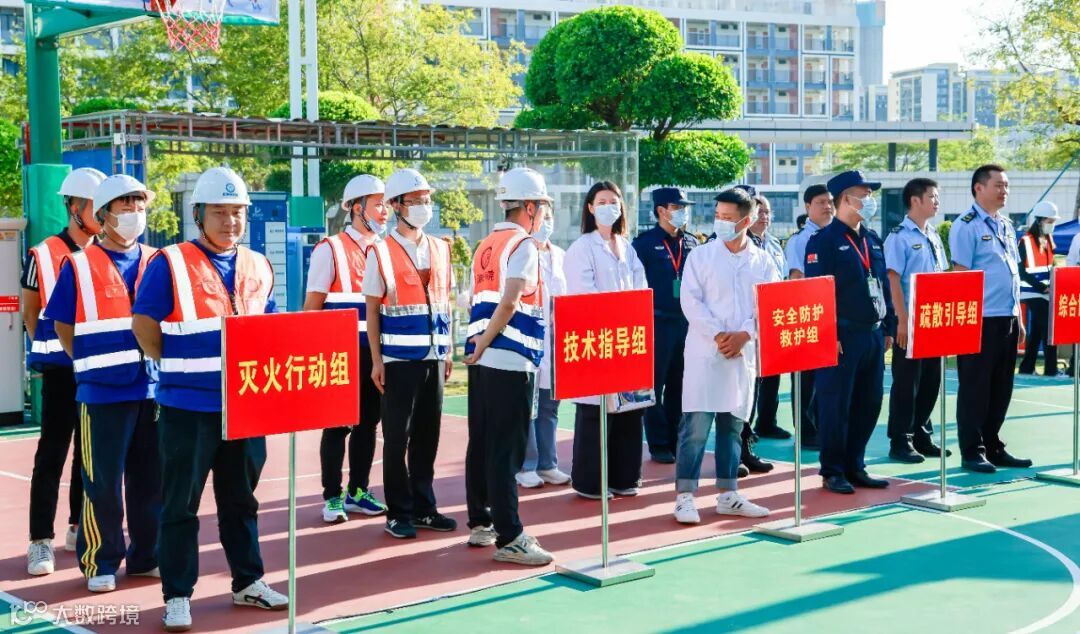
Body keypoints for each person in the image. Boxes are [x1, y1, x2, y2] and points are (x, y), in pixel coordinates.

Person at [132, 167, 288, 631]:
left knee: (242, 500)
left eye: (237, 212)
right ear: (198, 214)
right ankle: (178, 595)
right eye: (220, 212)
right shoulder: (170, 263)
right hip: (187, 409)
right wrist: (181, 368)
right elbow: (144, 326)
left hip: (245, 407)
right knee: (180, 505)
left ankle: (248, 582)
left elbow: (268, 327)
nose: (230, 221)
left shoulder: (259, 265)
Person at [44, 174, 160, 593]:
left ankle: (148, 556)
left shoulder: (157, 260)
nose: (134, 213)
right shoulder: (77, 265)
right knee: (102, 483)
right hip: (102, 391)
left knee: (151, 481)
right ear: (105, 214)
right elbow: (63, 324)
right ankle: (101, 560)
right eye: (125, 205)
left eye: (139, 205)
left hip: (151, 389)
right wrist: (89, 364)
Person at [463, 167, 555, 565]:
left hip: (483, 360)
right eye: (543, 207)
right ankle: (511, 535)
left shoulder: (486, 244)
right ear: (530, 207)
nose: (545, 215)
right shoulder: (524, 245)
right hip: (510, 358)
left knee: (482, 443)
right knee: (507, 449)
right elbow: (510, 301)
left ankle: (481, 521)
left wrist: (478, 347)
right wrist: (487, 342)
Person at [673, 188, 778, 524]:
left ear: (746, 221)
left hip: (741, 355)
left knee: (732, 427)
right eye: (718, 215)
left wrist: (745, 334)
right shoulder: (701, 257)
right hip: (706, 352)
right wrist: (719, 335)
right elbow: (691, 301)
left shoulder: (763, 261)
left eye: (728, 218)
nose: (720, 222)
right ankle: (685, 496)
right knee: (695, 429)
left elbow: (768, 304)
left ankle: (728, 493)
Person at [364, 168, 457, 539]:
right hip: (398, 360)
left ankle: (424, 507)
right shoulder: (381, 252)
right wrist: (376, 360)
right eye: (415, 200)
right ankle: (398, 512)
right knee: (396, 438)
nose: (423, 206)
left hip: (434, 356)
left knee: (427, 435)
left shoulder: (441, 248)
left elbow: (445, 302)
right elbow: (372, 310)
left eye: (426, 200)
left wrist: (447, 350)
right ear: (396, 206)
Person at [23, 167, 103, 577]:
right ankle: (40, 540)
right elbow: (30, 310)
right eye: (96, 207)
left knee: (89, 454)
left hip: (98, 368)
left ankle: (76, 526)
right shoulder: (43, 253)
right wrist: (49, 351)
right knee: (52, 452)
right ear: (74, 208)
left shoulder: (108, 252)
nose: (104, 214)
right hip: (60, 369)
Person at [304, 174, 389, 524]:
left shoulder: (387, 249)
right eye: (378, 204)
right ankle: (332, 497)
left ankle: (358, 491)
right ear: (356, 208)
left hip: (376, 353)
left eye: (386, 204)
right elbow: (313, 306)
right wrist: (315, 354)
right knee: (337, 426)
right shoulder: (331, 248)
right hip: (339, 352)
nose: (385, 211)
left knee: (368, 424)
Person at [805, 170, 895, 494]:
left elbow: (882, 285)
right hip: (841, 336)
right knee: (835, 405)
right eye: (864, 194)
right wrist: (829, 335)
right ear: (846, 198)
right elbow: (817, 293)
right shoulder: (824, 241)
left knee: (869, 403)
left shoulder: (872, 239)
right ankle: (833, 470)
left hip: (872, 334)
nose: (870, 200)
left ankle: (856, 465)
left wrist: (889, 325)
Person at [564, 181, 648, 499]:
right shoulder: (582, 247)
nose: (608, 207)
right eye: (601, 201)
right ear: (590, 208)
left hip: (627, 337)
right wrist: (615, 314)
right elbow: (583, 293)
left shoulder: (626, 246)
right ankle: (590, 483)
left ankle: (625, 477)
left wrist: (631, 314)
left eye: (614, 201)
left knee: (629, 409)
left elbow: (641, 285)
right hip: (597, 337)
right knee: (595, 412)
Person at [949, 164, 1032, 473]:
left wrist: (1018, 317)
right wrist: (965, 323)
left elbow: (1012, 275)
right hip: (980, 319)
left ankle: (993, 445)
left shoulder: (1006, 225)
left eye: (1006, 185)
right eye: (998, 185)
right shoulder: (966, 226)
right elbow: (961, 277)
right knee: (975, 387)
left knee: (1001, 387)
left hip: (1006, 317)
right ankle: (972, 450)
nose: (1004, 191)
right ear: (979, 188)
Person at [884, 178, 952, 463]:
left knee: (931, 380)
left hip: (933, 320)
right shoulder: (898, 237)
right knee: (906, 382)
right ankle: (901, 440)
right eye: (932, 197)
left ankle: (922, 434)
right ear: (915, 200)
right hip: (910, 321)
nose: (937, 202)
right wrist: (901, 320)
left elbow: (942, 276)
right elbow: (893, 280)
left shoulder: (932, 235)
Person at [632, 187, 699, 464]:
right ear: (661, 210)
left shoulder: (692, 242)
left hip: (687, 322)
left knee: (680, 384)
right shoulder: (644, 244)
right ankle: (658, 442)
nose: (684, 212)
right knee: (654, 385)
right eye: (677, 207)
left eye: (685, 207)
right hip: (657, 322)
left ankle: (674, 439)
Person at [515, 202, 571, 490]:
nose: (546, 222)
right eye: (541, 217)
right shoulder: (520, 252)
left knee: (549, 405)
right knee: (528, 406)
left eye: (550, 216)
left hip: (555, 342)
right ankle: (526, 465)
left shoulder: (560, 255)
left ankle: (548, 464)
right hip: (527, 339)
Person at [782, 184, 835, 448]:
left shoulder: (837, 236)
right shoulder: (800, 240)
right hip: (808, 317)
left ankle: (823, 427)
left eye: (830, 202)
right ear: (807, 207)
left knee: (826, 380)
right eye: (820, 202)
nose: (827, 206)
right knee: (805, 380)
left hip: (832, 319)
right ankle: (806, 431)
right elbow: (796, 277)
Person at [1018, 201, 1061, 376]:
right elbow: (1021, 271)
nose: (1052, 225)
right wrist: (1041, 287)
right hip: (1031, 292)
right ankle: (1051, 370)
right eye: (1050, 221)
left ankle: (1026, 367)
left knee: (1036, 331)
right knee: (1049, 330)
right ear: (1040, 220)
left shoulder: (1048, 240)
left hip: (1044, 293)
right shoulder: (1025, 241)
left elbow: (1050, 267)